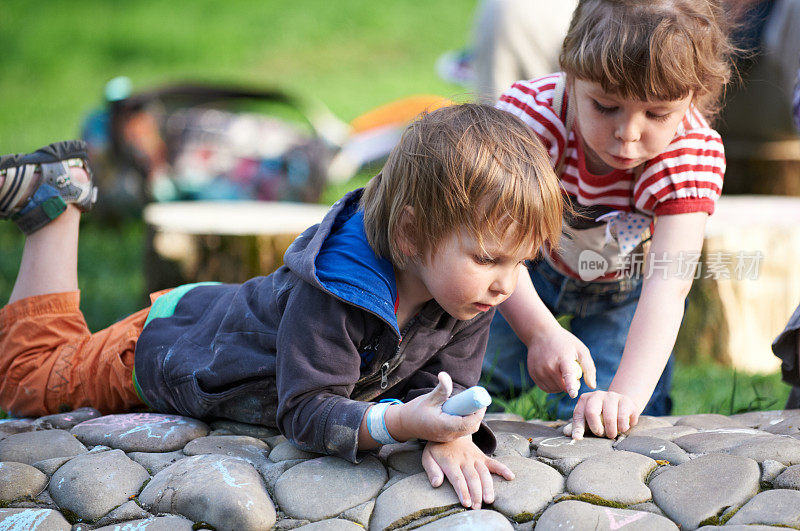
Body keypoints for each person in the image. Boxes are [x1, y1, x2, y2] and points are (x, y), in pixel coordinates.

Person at [0, 104, 567, 510]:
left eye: (520, 263)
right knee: (26, 380)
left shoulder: (467, 295)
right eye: (490, 258)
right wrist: (396, 424)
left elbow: (436, 386)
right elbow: (306, 411)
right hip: (163, 346)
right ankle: (56, 205)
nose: (506, 284)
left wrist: (451, 430)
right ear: (413, 234)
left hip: (213, 318)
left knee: (47, 363)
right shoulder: (334, 292)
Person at [485, 0, 733, 439]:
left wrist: (627, 398)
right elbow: (490, 245)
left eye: (656, 114)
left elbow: (668, 283)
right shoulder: (534, 121)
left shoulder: (687, 155)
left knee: (609, 418)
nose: (628, 132)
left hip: (622, 291)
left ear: (693, 97)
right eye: (604, 106)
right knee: (474, 375)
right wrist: (540, 332)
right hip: (522, 269)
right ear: (571, 74)